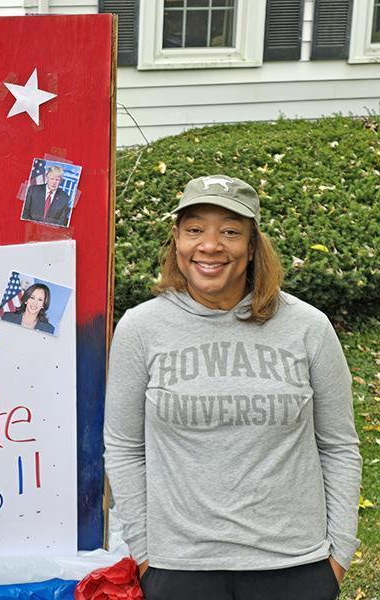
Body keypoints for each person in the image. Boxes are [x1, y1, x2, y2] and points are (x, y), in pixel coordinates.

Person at [103, 174, 361, 600]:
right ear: (177, 242)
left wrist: (338, 556)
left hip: (295, 565)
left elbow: (339, 445)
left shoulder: (307, 327)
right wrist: (146, 553)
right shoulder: (141, 329)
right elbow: (125, 446)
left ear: (253, 245)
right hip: (179, 567)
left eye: (230, 231)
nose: (210, 245)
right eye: (194, 230)